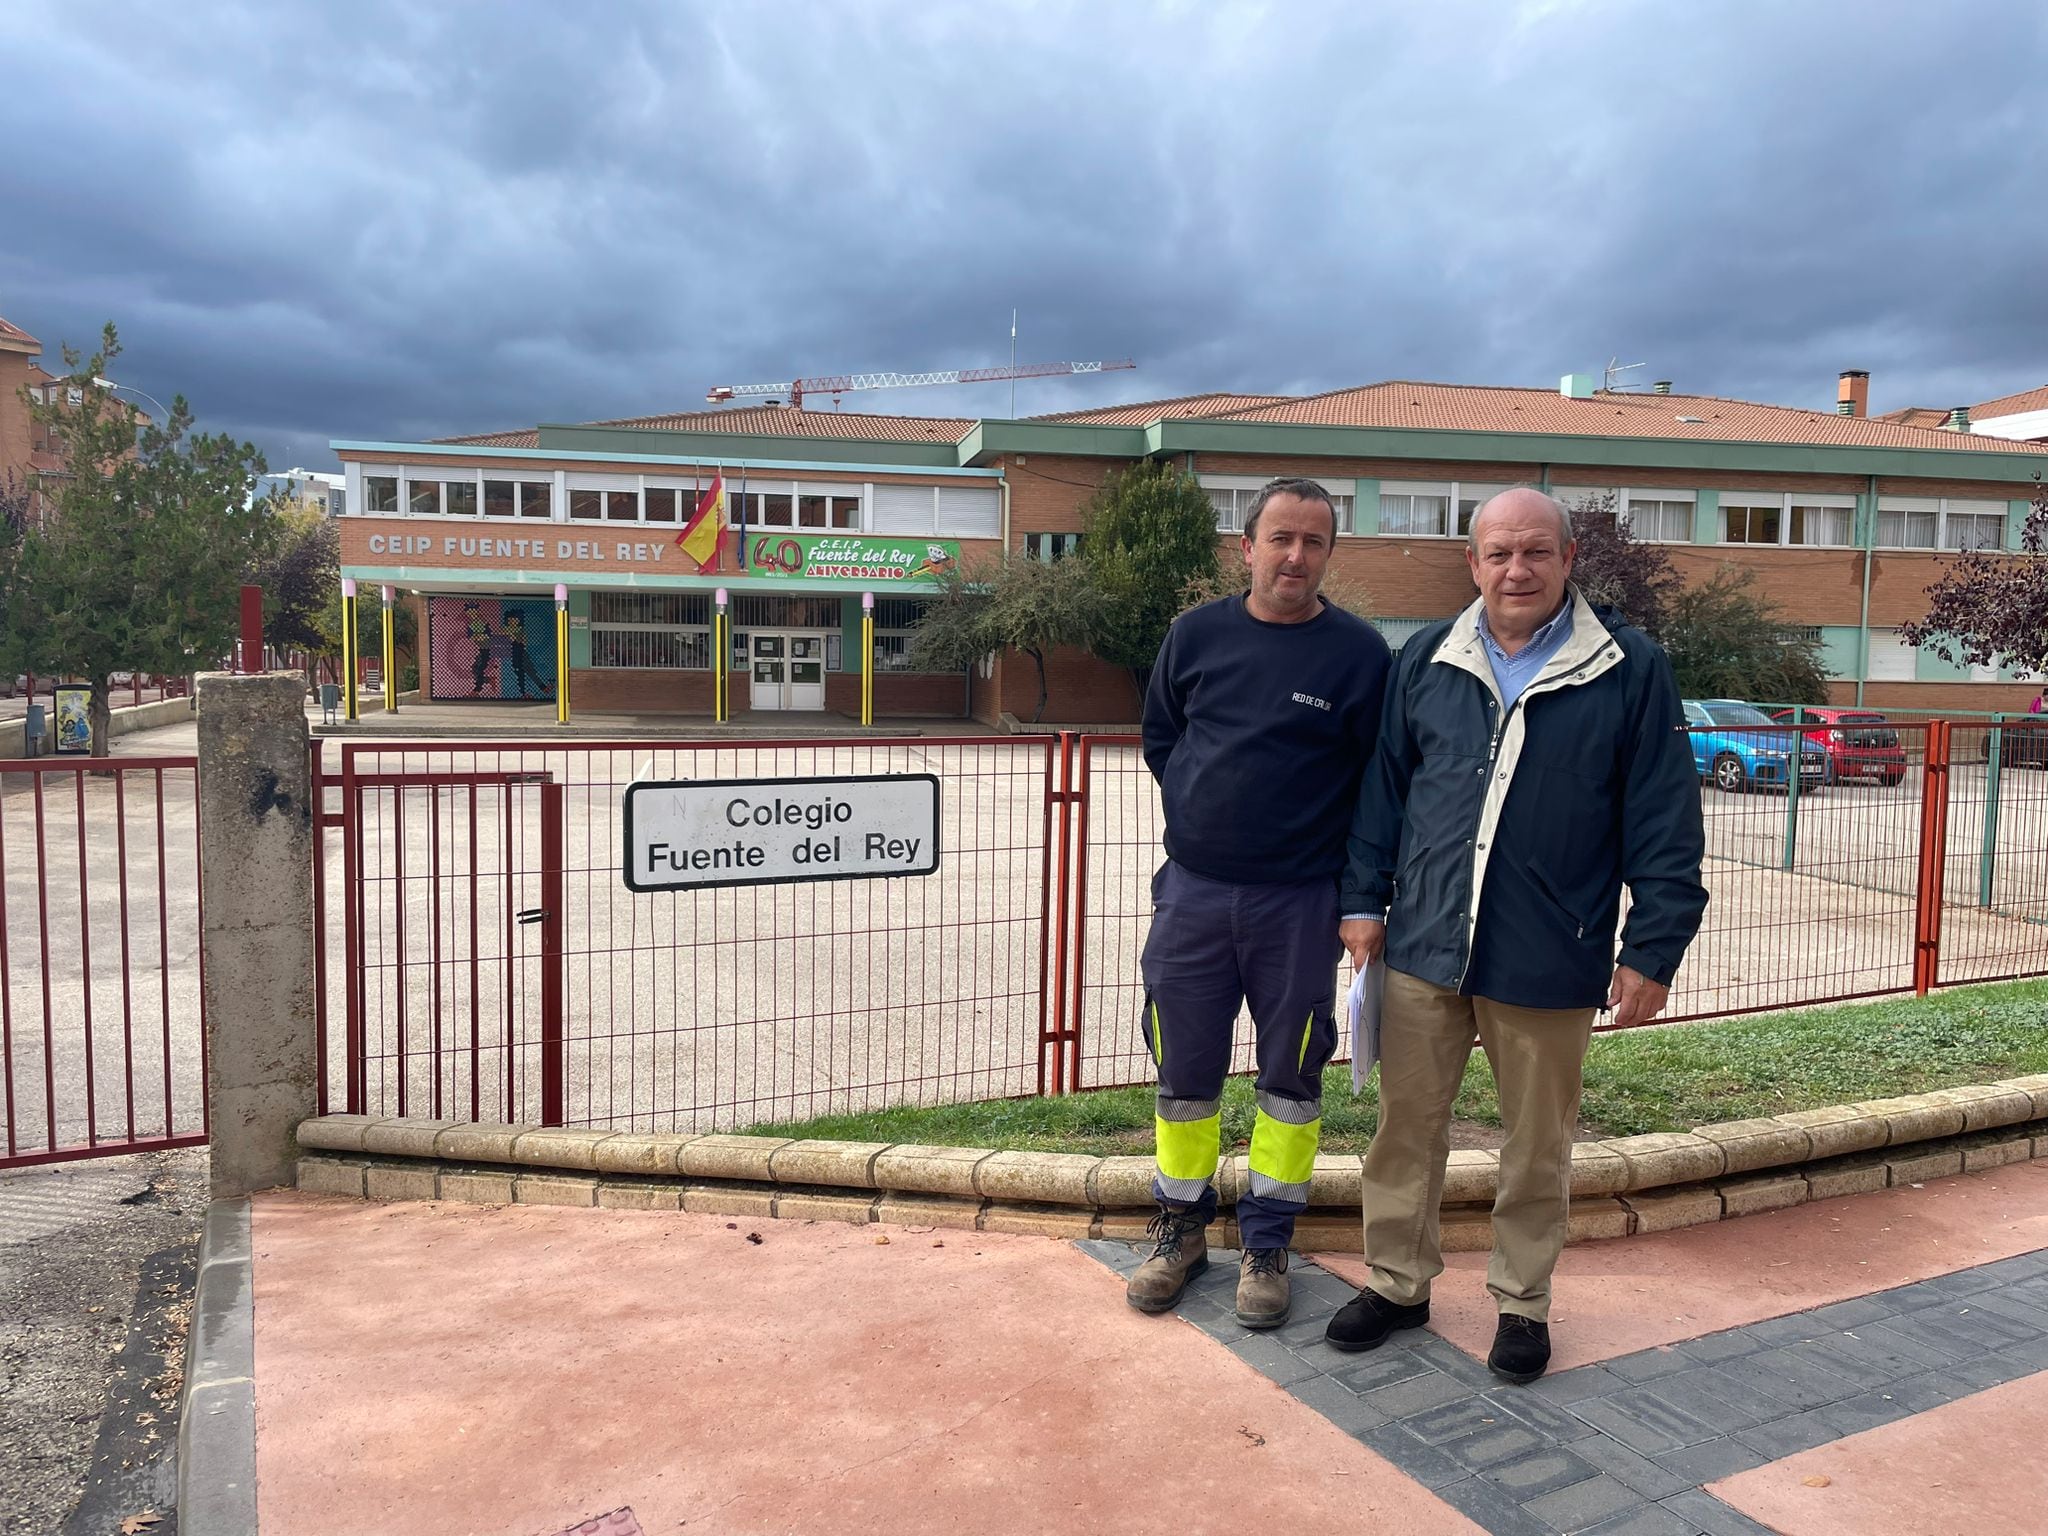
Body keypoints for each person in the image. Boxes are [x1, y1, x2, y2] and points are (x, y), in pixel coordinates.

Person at [1324, 487, 1707, 1382]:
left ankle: (1523, 1304)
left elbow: (1662, 817)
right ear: (1473, 563)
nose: (1516, 569)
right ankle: (1397, 1283)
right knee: (1404, 1129)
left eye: (1535, 551)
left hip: (1551, 950)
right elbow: (1385, 792)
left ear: (1570, 560)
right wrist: (1363, 899)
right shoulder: (1427, 658)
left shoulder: (1627, 668)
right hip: (1422, 943)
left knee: (1536, 1144)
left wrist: (1654, 948)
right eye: (1498, 553)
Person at [1127, 477, 1393, 1328]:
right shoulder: (1195, 633)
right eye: (1280, 538)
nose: (1295, 556)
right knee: (1183, 1070)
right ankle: (1180, 1227)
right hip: (1195, 895)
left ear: (1329, 554)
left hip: (1301, 904)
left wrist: (1360, 899)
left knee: (1290, 1079)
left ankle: (1268, 1240)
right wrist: (1209, 815)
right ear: (1246, 547)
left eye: (1314, 542)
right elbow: (1163, 737)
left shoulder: (1358, 656)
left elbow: (1375, 791)